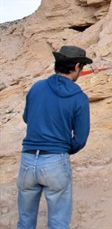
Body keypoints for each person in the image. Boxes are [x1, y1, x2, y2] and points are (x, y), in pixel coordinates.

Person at [17, 45, 93, 229]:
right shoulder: (79, 97)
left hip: (27, 159)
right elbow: (80, 138)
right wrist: (65, 149)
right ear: (76, 66)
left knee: (25, 221)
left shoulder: (37, 87)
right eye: (81, 67)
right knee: (58, 222)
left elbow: (27, 117)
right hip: (55, 161)